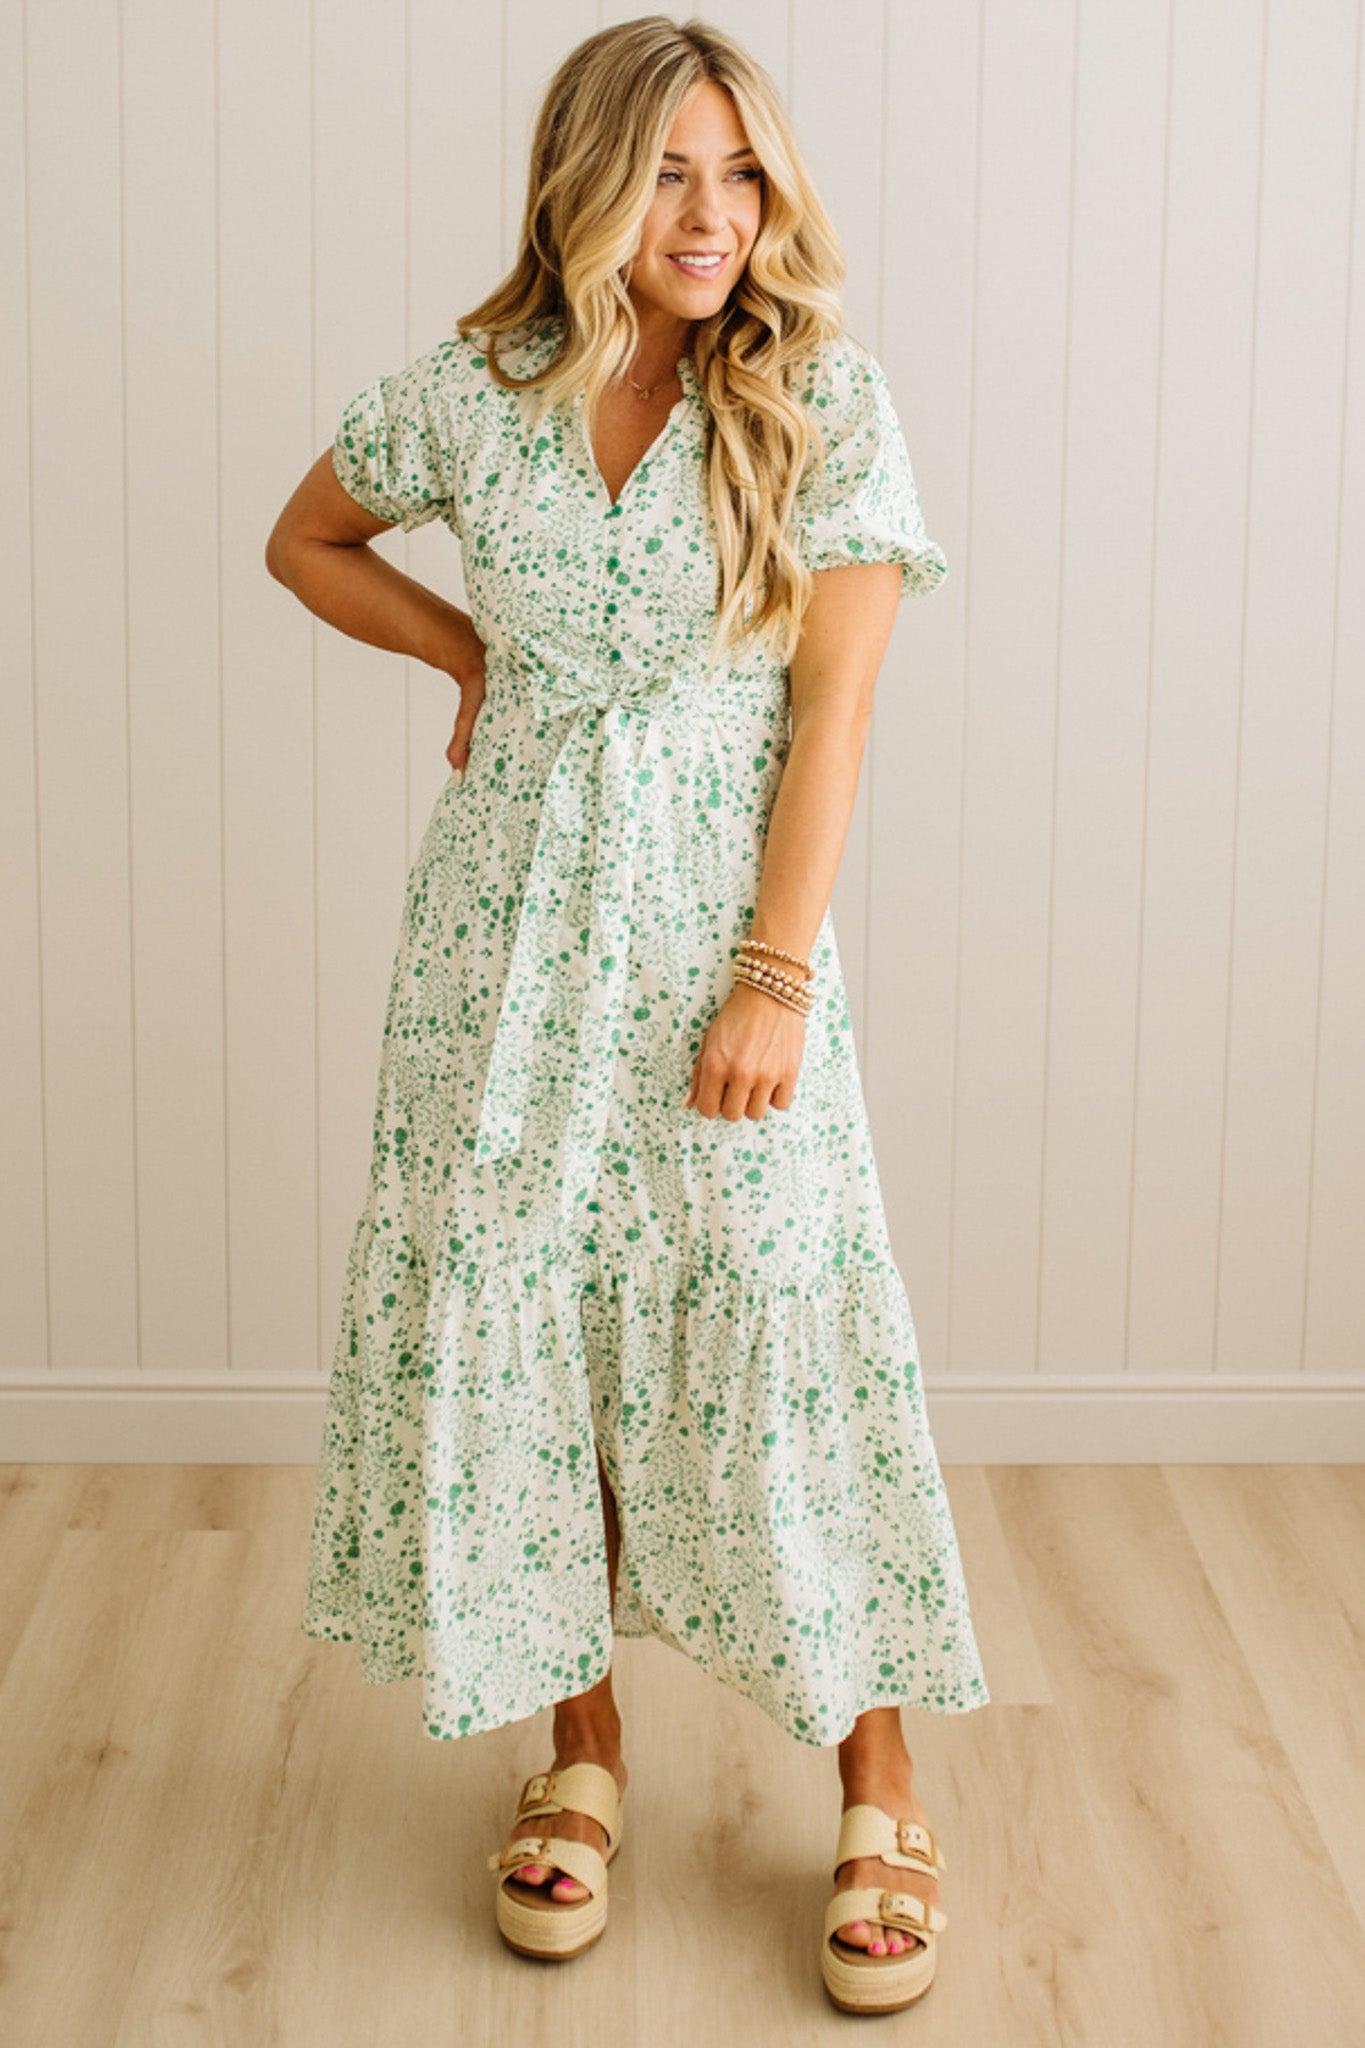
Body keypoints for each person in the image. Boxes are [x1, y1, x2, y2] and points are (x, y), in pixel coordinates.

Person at [265, 14, 989, 2016]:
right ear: (581, 179)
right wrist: (465, 653)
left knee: (772, 1327)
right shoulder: (474, 390)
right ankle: (574, 1753)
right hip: (492, 951)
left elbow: (834, 717)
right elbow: (304, 538)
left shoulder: (818, 398)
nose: (710, 214)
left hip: (709, 947)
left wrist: (773, 972)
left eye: (740, 173)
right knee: (530, 1338)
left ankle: (879, 1782)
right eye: (669, 171)